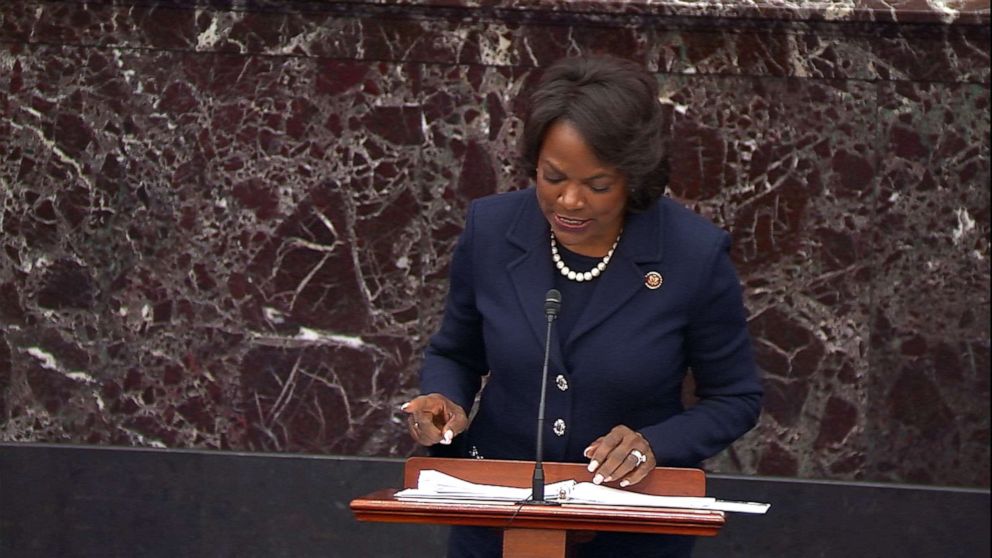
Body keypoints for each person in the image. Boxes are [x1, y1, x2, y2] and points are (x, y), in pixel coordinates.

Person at [401, 54, 763, 558]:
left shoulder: (692, 255)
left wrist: (654, 444)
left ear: (633, 177)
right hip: (496, 515)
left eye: (597, 185)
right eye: (553, 177)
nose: (569, 201)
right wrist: (443, 402)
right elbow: (456, 354)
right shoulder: (492, 230)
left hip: (631, 528)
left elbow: (735, 397)